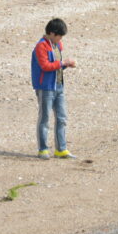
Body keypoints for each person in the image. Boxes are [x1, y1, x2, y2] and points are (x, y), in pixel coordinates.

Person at [31, 18, 77, 159]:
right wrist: (62, 63)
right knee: (44, 118)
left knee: (62, 118)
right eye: (59, 36)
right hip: (45, 88)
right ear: (51, 33)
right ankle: (43, 149)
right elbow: (45, 66)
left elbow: (56, 65)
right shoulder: (41, 47)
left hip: (58, 86)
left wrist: (65, 65)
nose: (60, 39)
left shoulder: (57, 45)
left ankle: (61, 149)